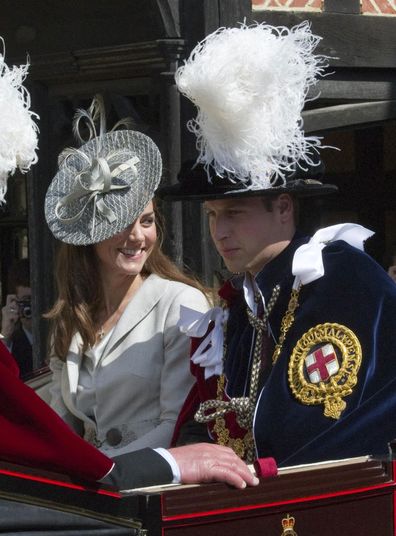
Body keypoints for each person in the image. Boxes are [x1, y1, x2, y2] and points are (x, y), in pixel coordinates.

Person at [0, 37, 258, 499]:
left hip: (153, 490)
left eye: (146, 221)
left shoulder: (181, 305)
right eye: (121, 225)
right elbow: (61, 419)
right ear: (88, 239)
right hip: (94, 492)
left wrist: (100, 475)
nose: (137, 237)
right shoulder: (75, 314)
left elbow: (177, 423)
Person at [157, 21, 396, 467]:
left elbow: (351, 418)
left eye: (234, 214)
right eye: (212, 216)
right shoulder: (241, 305)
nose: (219, 232)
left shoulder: (344, 277)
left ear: (283, 209)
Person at [1, 258, 33, 378]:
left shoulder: (61, 337)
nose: (33, 307)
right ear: (14, 302)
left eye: (37, 299)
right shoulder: (11, 343)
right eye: (27, 300)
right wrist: (5, 335)